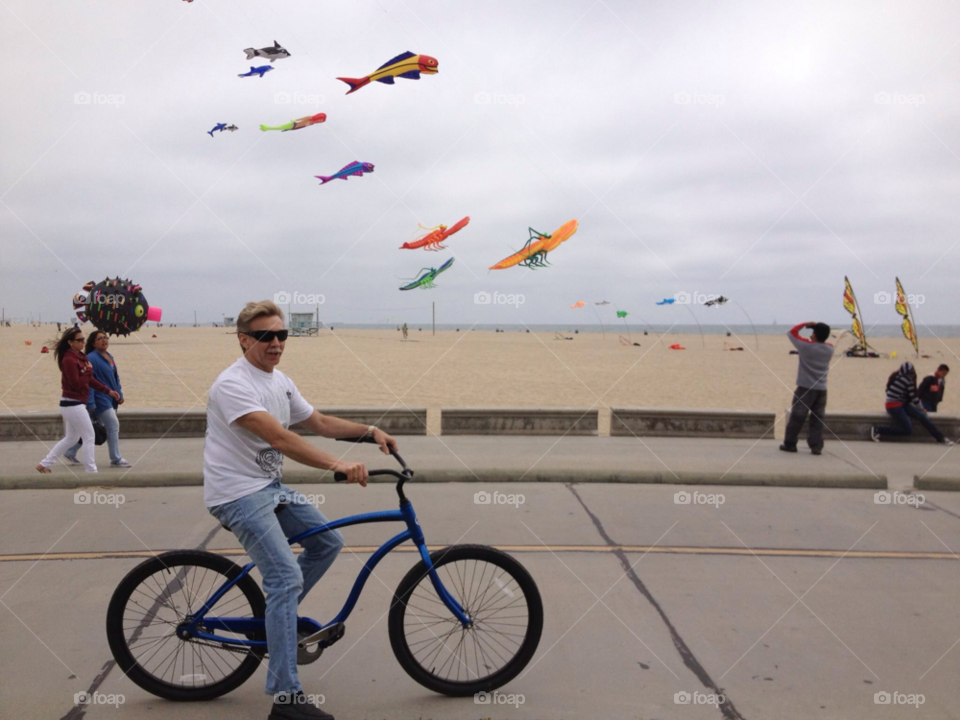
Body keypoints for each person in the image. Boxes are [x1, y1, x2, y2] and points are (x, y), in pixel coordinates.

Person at [204, 301, 398, 720]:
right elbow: (280, 439)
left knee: (327, 543)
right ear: (243, 339)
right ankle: (285, 699)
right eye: (264, 336)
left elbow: (319, 422)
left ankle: (280, 619)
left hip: (268, 486)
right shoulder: (232, 385)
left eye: (281, 335)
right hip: (237, 493)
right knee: (284, 577)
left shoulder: (279, 381)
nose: (275, 343)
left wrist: (370, 432)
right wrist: (337, 464)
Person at [36, 327, 120, 474]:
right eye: (79, 340)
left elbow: (90, 380)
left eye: (83, 340)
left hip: (74, 403)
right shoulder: (68, 359)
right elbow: (77, 384)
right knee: (89, 436)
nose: (82, 343)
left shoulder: (80, 357)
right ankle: (91, 471)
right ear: (70, 342)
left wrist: (108, 391)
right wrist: (87, 371)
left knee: (71, 438)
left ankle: (44, 464)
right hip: (72, 404)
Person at [64, 330, 130, 468]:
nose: (104, 340)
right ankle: (116, 459)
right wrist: (91, 402)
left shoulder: (109, 356)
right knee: (113, 425)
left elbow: (115, 377)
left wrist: (119, 393)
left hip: (110, 396)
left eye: (105, 337)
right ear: (93, 343)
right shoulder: (91, 358)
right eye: (100, 338)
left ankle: (70, 451)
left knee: (92, 429)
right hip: (100, 398)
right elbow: (89, 381)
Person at [780, 321, 835, 456]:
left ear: (814, 334)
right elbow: (820, 343)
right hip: (821, 388)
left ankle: (790, 444)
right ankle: (816, 446)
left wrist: (806, 324)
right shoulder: (830, 349)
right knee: (817, 418)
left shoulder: (806, 347)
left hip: (805, 387)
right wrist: (816, 329)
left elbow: (791, 333)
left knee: (797, 416)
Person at [872, 362, 953, 445]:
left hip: (895, 404)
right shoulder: (908, 380)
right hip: (895, 406)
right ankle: (878, 429)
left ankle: (940, 437)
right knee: (909, 428)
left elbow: (890, 392)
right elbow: (914, 397)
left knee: (921, 416)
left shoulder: (894, 377)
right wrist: (921, 408)